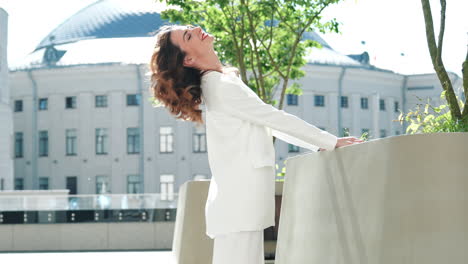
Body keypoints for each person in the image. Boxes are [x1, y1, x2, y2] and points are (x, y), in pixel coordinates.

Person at [149, 24, 363, 264]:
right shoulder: (220, 86)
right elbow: (274, 118)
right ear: (188, 59)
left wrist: (321, 145)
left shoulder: (220, 82)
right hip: (239, 203)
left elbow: (270, 123)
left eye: (190, 27)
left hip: (239, 203)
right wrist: (330, 141)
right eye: (189, 35)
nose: (197, 28)